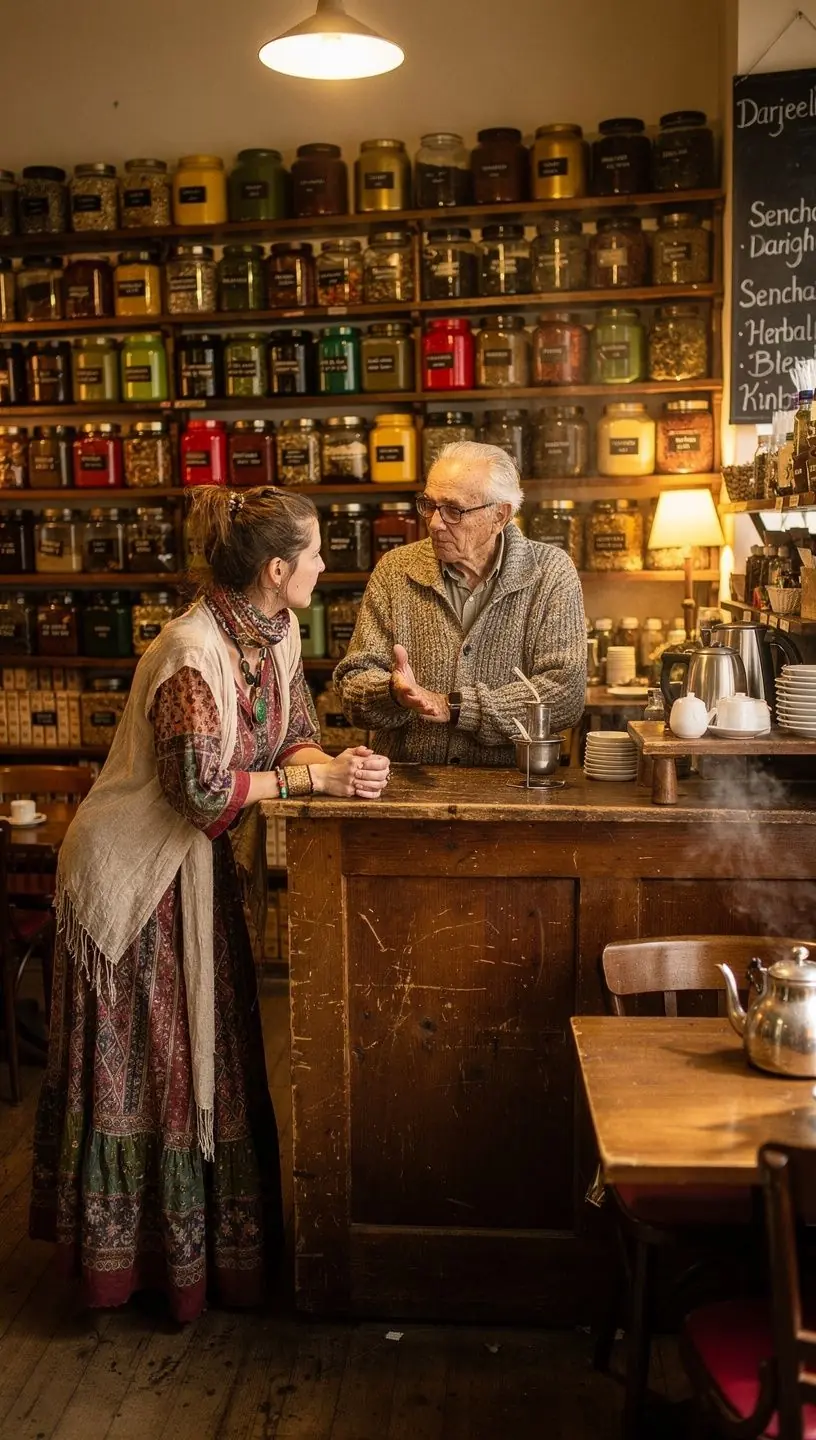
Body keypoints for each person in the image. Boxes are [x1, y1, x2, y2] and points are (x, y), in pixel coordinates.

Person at [30, 485, 389, 1322]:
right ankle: (136, 1271)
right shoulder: (191, 652)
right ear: (276, 568)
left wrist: (339, 764)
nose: (326, 565)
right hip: (134, 882)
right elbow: (199, 792)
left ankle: (205, 1262)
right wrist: (311, 777)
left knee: (209, 1058)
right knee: (156, 1067)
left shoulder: (278, 633)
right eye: (315, 553)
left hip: (194, 876)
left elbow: (294, 732)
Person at [334, 442, 586, 766]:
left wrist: (456, 707)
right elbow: (353, 687)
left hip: (509, 792)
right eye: (429, 505)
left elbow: (564, 696)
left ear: (500, 515)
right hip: (407, 792)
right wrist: (392, 694)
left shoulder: (550, 572)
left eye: (454, 510)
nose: (435, 523)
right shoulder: (395, 570)